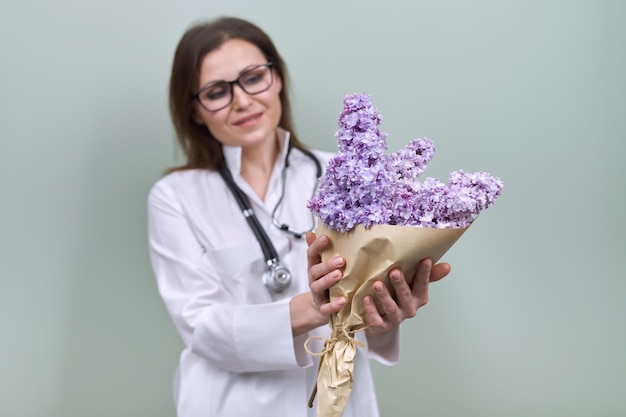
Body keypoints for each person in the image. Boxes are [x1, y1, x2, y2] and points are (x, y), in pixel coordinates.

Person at [147, 16, 451, 417]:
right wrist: (311, 308)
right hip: (228, 403)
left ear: (278, 80)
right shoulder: (175, 197)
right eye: (217, 91)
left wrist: (384, 315)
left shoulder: (343, 176)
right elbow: (202, 328)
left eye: (253, 77)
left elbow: (369, 315)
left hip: (338, 398)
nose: (241, 100)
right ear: (197, 112)